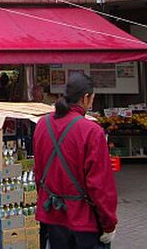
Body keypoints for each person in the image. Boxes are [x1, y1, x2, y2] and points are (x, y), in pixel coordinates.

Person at [33, 72, 117, 249]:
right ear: (85, 98)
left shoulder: (42, 124)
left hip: (52, 216)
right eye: (92, 98)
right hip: (84, 222)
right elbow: (100, 185)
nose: (91, 103)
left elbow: (38, 174)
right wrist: (109, 223)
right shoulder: (92, 131)